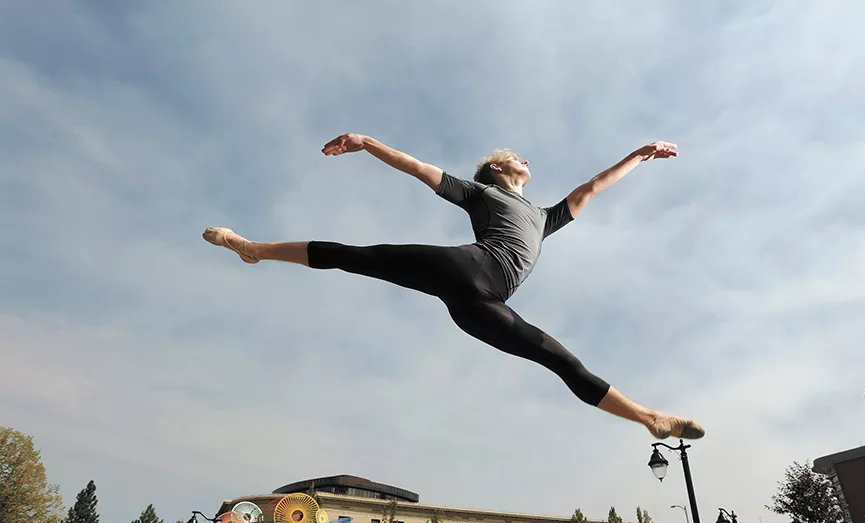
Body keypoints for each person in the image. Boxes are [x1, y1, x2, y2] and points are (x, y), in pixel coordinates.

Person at [203, 133, 704, 441]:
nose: (526, 160)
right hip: (470, 269)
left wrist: (639, 154)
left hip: (483, 306)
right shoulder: (480, 192)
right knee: (362, 258)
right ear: (499, 169)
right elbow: (419, 169)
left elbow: (593, 186)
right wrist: (367, 142)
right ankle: (255, 248)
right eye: (517, 157)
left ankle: (648, 418)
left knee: (561, 361)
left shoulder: (545, 217)